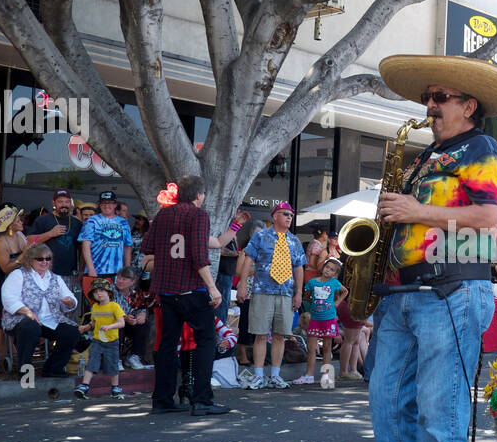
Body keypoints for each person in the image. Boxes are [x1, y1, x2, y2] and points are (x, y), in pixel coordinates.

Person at [362, 53, 497, 442]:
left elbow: (488, 220)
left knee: (440, 406)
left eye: (439, 98)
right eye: (428, 98)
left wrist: (415, 209)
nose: (429, 107)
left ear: (468, 105)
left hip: (450, 288)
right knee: (388, 401)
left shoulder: (483, 149)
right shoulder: (426, 158)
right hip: (402, 291)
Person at [142, 174, 227, 415]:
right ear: (199, 195)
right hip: (191, 287)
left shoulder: (163, 214)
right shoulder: (199, 215)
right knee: (206, 340)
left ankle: (162, 399)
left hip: (165, 289)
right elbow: (199, 255)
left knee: (168, 343)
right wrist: (212, 286)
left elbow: (147, 246)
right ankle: (202, 399)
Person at [236, 202, 306, 389]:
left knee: (280, 335)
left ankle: (275, 375)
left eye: (291, 215)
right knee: (260, 334)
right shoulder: (260, 236)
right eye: (285, 214)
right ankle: (258, 375)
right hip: (262, 291)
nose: (289, 217)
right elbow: (248, 259)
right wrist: (242, 285)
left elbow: (299, 268)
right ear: (275, 216)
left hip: (285, 293)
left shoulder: (295, 241)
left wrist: (299, 293)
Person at [1, 243, 80, 378]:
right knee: (30, 328)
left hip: (49, 319)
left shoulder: (55, 278)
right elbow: (8, 298)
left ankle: (53, 368)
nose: (44, 262)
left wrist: (70, 302)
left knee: (71, 332)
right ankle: (25, 372)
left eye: (48, 259)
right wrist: (27, 312)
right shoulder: (18, 274)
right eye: (40, 259)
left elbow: (69, 297)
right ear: (31, 260)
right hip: (20, 319)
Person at [294, 256, 347, 385]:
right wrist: (312, 303)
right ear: (323, 267)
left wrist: (337, 303)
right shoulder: (312, 282)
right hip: (315, 319)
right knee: (312, 348)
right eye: (327, 267)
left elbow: (344, 291)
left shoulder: (334, 283)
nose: (328, 271)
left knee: (327, 347)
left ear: (335, 274)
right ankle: (309, 375)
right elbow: (307, 296)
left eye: (332, 270)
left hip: (329, 318)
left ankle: (326, 376)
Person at [74, 278, 125, 399]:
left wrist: (110, 326)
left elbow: (121, 323)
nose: (99, 294)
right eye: (96, 292)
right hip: (97, 340)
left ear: (108, 293)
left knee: (112, 364)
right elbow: (93, 322)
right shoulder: (95, 308)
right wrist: (86, 327)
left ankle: (115, 387)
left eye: (102, 290)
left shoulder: (114, 306)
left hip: (112, 341)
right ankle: (84, 385)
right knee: (92, 362)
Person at [29, 189, 83, 293]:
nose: (64, 205)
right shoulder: (43, 220)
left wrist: (81, 270)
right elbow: (29, 240)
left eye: (67, 202)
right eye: (60, 202)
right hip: (46, 272)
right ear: (54, 203)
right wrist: (50, 234)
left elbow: (81, 249)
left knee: (67, 304)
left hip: (69, 273)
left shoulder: (77, 223)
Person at [78, 190, 133, 282]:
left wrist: (127, 269)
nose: (107, 206)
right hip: (95, 272)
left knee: (115, 296)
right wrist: (91, 269)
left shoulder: (123, 222)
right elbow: (86, 246)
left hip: (118, 273)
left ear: (115, 205)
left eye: (110, 203)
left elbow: (127, 246)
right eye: (103, 203)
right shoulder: (92, 221)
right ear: (100, 205)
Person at [113, 266, 153, 369]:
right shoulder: (110, 291)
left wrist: (142, 315)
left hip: (130, 322)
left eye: (124, 279)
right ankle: (115, 359)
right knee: (119, 325)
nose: (120, 281)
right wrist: (124, 318)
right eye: (119, 278)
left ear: (132, 281)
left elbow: (141, 307)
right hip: (113, 323)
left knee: (144, 324)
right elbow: (109, 310)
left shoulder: (135, 292)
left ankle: (134, 357)